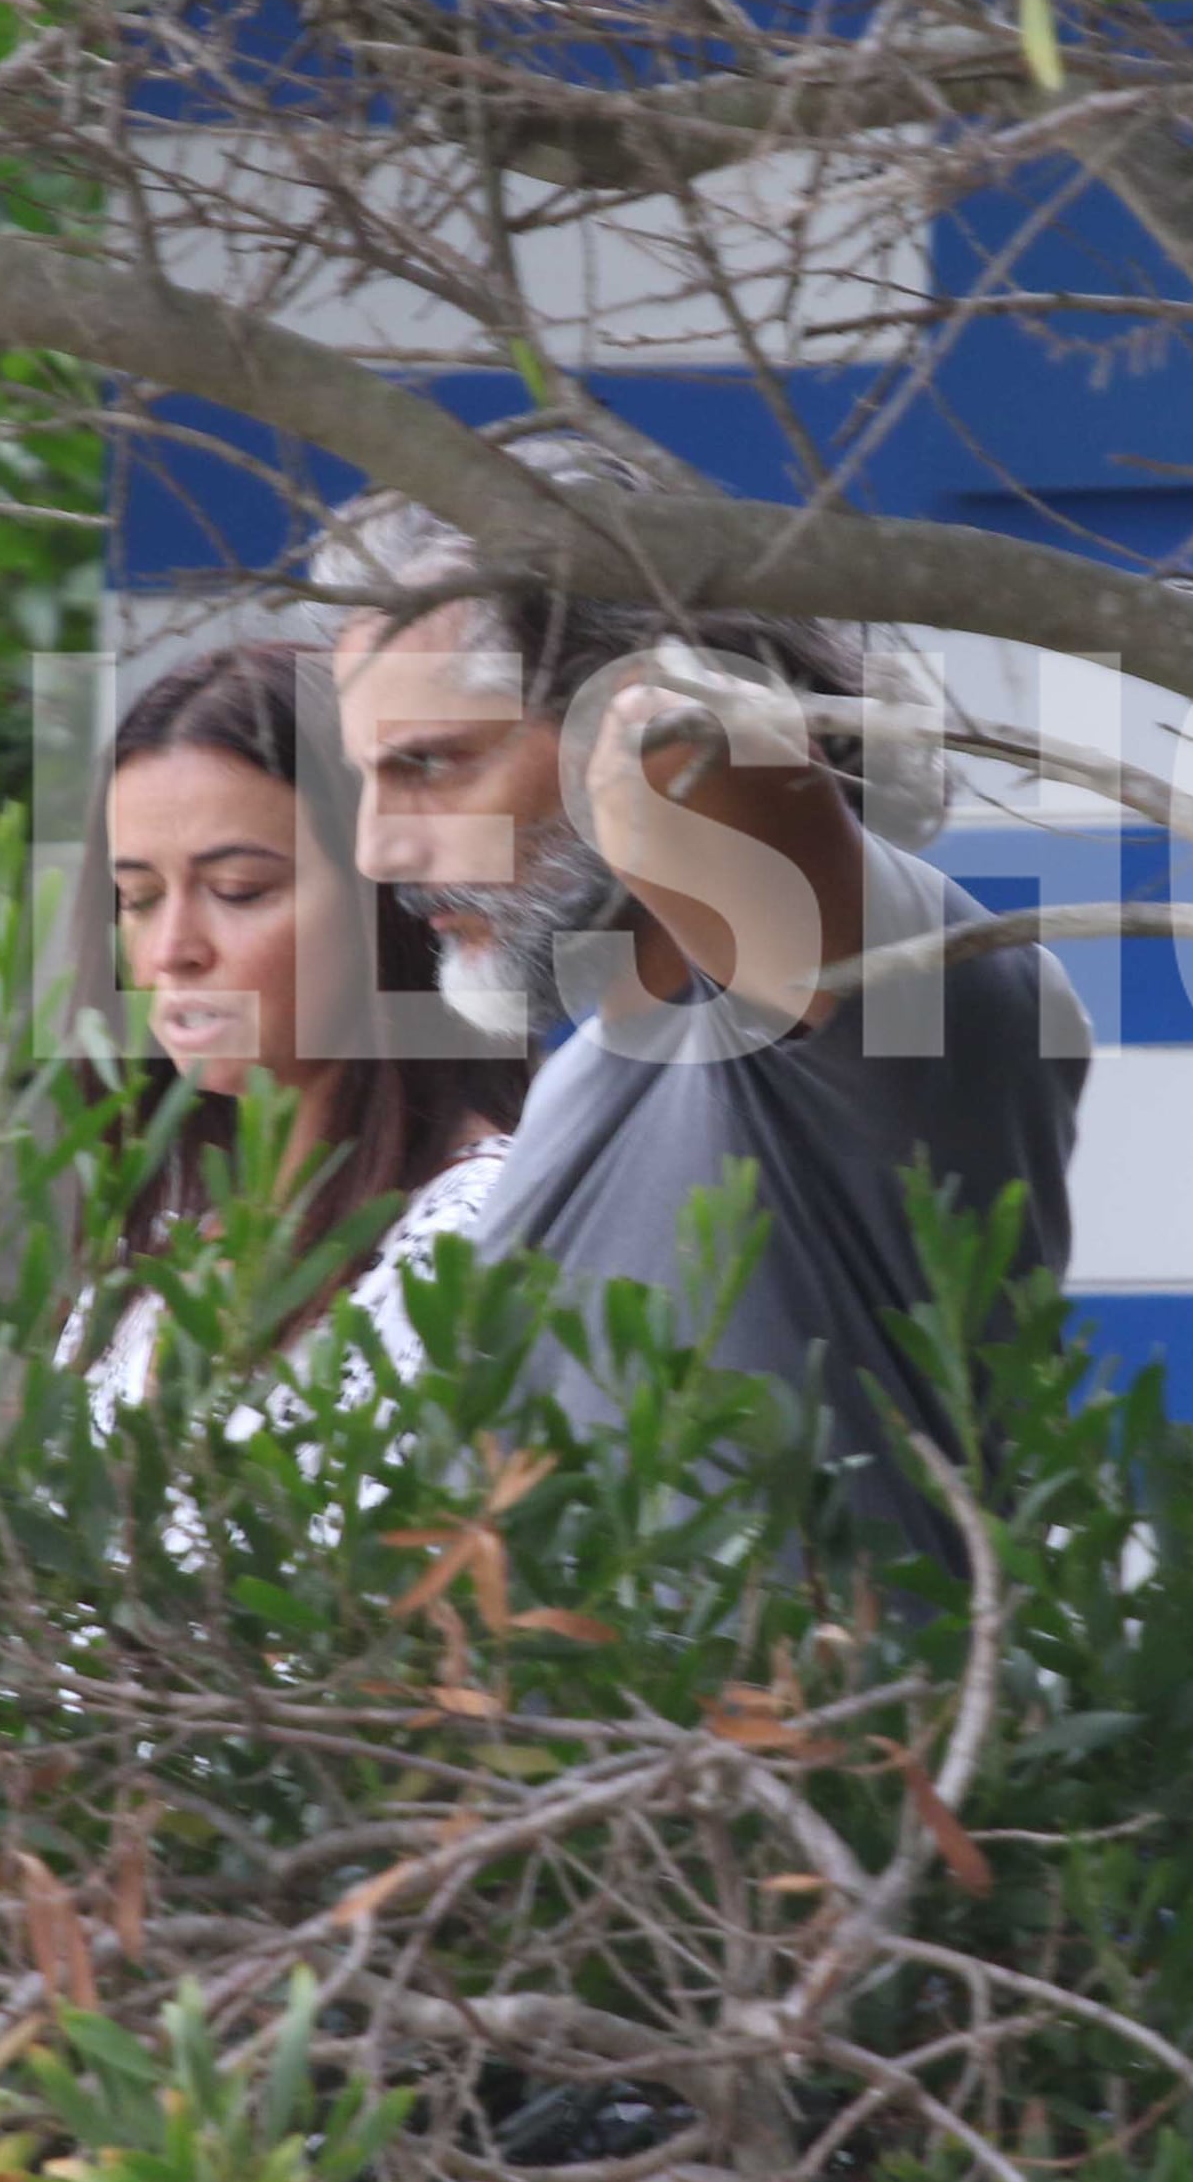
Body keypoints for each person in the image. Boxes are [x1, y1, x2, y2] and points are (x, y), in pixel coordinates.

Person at [309, 425, 1089, 1560]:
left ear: (608, 722)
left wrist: (662, 662)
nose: (380, 850)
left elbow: (718, 757)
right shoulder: (585, 1070)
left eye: (430, 763)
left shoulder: (882, 995)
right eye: (365, 778)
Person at [76, 640, 523, 1412]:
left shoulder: (480, 1233)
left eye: (238, 890)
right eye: (140, 898)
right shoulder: (145, 1268)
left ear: (383, 902)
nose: (173, 951)